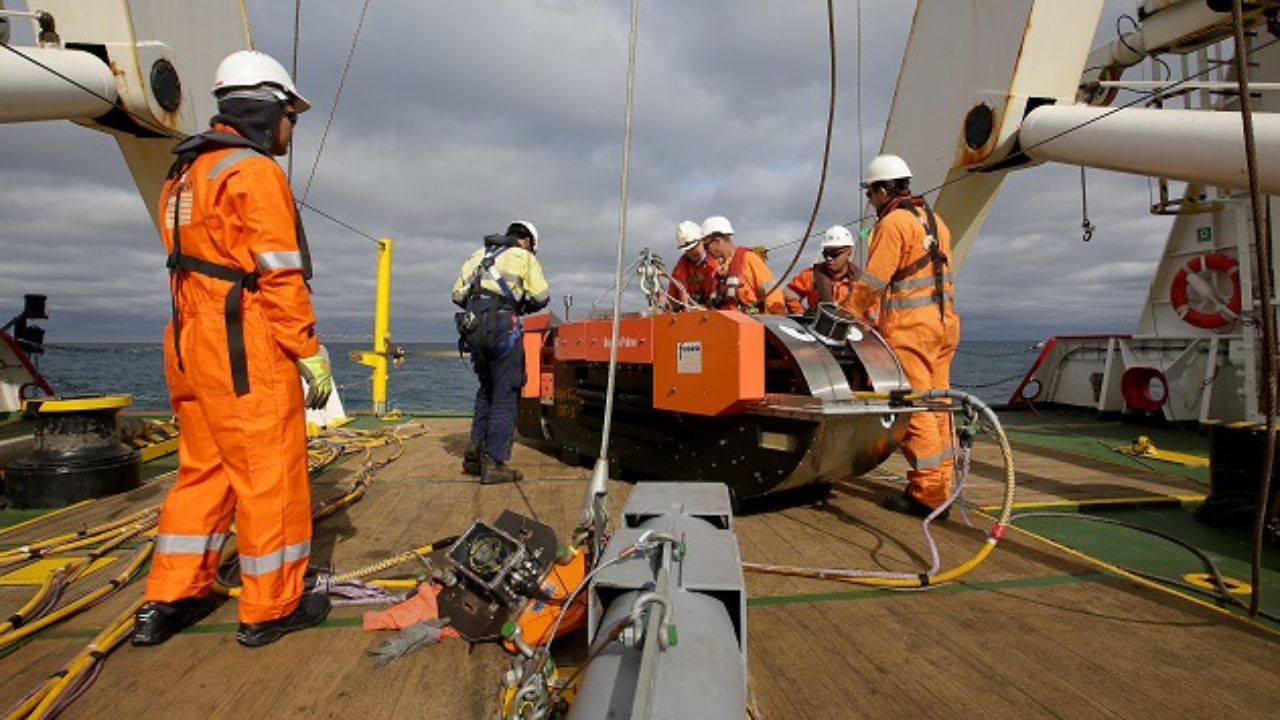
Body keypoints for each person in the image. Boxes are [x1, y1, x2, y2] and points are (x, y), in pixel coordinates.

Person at [135, 50, 333, 648]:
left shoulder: (185, 171)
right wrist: (307, 349)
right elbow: (278, 273)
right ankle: (272, 607)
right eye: (289, 116)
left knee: (204, 471)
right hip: (242, 346)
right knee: (269, 474)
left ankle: (170, 599)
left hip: (189, 344)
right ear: (265, 108)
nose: (290, 131)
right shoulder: (252, 173)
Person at [843, 154, 960, 519]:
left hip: (912, 329)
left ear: (881, 190)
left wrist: (846, 316)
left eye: (869, 194)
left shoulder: (893, 222)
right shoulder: (936, 221)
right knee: (940, 406)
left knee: (917, 407)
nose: (869, 202)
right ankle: (945, 485)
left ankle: (927, 493)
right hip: (945, 325)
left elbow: (873, 281)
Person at [452, 221, 550, 484]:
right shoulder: (523, 257)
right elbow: (542, 297)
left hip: (472, 329)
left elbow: (458, 295)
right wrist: (518, 304)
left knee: (486, 389)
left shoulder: (477, 255)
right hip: (503, 329)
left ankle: (475, 452)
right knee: (506, 392)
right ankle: (494, 461)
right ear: (528, 240)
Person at [701, 215, 786, 314]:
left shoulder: (749, 259)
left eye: (706, 246)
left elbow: (773, 294)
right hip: (728, 325)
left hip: (753, 324)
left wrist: (773, 323)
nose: (706, 251)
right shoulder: (719, 271)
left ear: (717, 241)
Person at [783, 225, 861, 314]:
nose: (829, 258)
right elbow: (788, 295)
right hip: (816, 326)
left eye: (834, 254)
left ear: (848, 252)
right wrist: (803, 316)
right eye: (825, 254)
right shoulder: (810, 275)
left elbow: (871, 317)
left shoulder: (861, 283)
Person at [666, 220, 718, 309]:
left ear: (702, 240)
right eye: (687, 249)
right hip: (688, 317)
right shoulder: (678, 271)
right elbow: (672, 300)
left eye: (694, 247)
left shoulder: (718, 263)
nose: (692, 252)